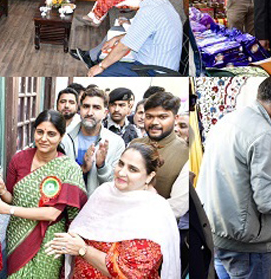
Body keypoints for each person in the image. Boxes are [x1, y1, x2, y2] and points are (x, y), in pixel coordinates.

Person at [198, 78, 271, 279]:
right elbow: (269, 201)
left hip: (216, 234)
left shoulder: (227, 121)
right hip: (246, 246)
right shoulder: (264, 134)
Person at [46, 143, 182, 279]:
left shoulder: (154, 212)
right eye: (121, 164)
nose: (122, 172)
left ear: (149, 176)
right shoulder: (103, 192)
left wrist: (83, 250)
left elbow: (132, 273)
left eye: (133, 169)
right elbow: (85, 230)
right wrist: (69, 242)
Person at [0, 110, 88, 279]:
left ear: (61, 137)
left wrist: (8, 210)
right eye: (40, 132)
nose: (44, 138)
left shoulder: (68, 168)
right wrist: (2, 189)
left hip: (49, 239)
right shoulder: (19, 159)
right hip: (18, 234)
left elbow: (52, 213)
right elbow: (12, 200)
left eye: (51, 134)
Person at [79, 0, 183, 76]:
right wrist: (118, 37)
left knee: (99, 73)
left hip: (153, 70)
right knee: (107, 58)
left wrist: (100, 67)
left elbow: (124, 47)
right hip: (156, 64)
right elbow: (144, 32)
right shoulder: (161, 2)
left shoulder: (150, 10)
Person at [130, 92, 191, 220]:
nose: (154, 122)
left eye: (162, 117)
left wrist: (138, 213)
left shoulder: (186, 153)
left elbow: (178, 206)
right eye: (149, 116)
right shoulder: (134, 144)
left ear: (175, 118)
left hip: (160, 226)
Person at [59, 87, 125, 195]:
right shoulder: (64, 139)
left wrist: (102, 166)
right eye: (86, 106)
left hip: (98, 206)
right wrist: (82, 169)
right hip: (67, 203)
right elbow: (57, 176)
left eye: (96, 107)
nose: (90, 112)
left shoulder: (116, 143)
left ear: (105, 113)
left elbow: (116, 184)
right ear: (79, 110)